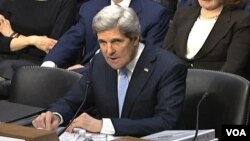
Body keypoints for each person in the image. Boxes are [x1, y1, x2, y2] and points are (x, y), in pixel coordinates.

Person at [32, 5, 187, 137]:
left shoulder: (168, 67)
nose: (109, 50)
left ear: (135, 39)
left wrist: (103, 125)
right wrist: (55, 116)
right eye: (102, 42)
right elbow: (72, 102)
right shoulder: (99, 62)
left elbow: (166, 122)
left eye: (116, 41)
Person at [41, 0, 171, 73]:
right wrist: (49, 66)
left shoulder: (155, 13)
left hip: (122, 76)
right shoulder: (90, 7)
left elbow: (146, 58)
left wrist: (86, 70)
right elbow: (71, 39)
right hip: (84, 75)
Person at [0, 0, 77, 99]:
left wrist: (13, 37)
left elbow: (52, 46)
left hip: (39, 63)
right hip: (6, 57)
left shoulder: (65, 3)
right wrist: (32, 40)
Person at [163, 0, 250, 77]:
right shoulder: (182, 14)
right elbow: (166, 55)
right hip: (175, 82)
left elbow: (232, 68)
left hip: (213, 87)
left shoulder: (242, 20)